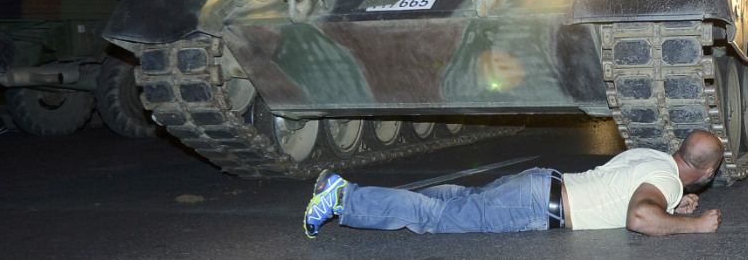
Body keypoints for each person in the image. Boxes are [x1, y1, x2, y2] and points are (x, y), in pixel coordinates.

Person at [304, 129, 724, 237]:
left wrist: (671, 206)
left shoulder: (654, 159)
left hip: (541, 184)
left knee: (454, 200)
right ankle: (345, 198)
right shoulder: (665, 181)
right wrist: (694, 223)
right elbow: (637, 216)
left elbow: (623, 189)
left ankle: (349, 194)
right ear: (706, 172)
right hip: (536, 205)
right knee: (436, 218)